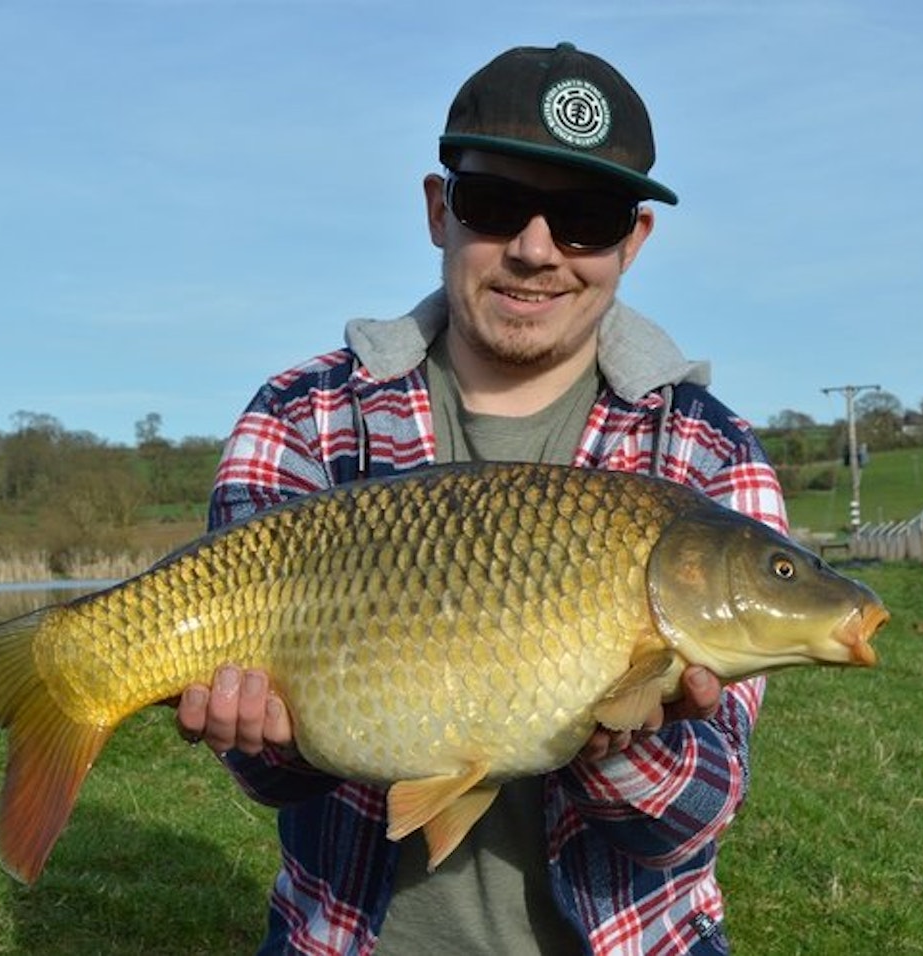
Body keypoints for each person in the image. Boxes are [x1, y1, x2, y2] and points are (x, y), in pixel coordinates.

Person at [175, 42, 787, 955]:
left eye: (585, 217)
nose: (538, 250)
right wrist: (264, 741)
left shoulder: (704, 453)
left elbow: (692, 820)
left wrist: (624, 734)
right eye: (497, 205)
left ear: (634, 240)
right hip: (339, 937)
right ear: (438, 209)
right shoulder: (302, 416)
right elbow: (270, 776)